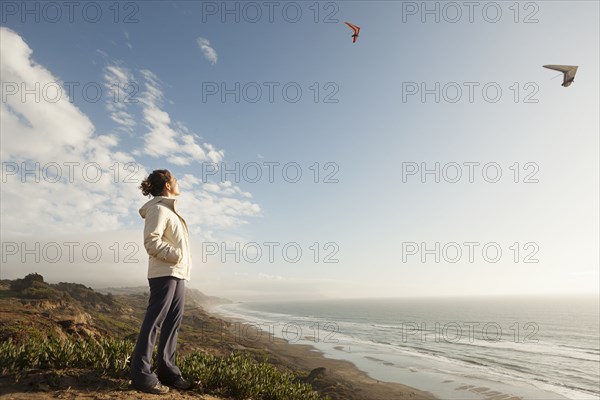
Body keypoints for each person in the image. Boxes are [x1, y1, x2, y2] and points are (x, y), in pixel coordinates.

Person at [130, 169, 193, 394]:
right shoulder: (157, 209)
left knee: (172, 324)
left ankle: (167, 371)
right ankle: (142, 375)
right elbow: (151, 242)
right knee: (154, 323)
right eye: (175, 179)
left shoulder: (170, 211)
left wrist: (180, 262)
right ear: (167, 185)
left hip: (177, 274)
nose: (178, 182)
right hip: (164, 273)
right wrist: (176, 255)